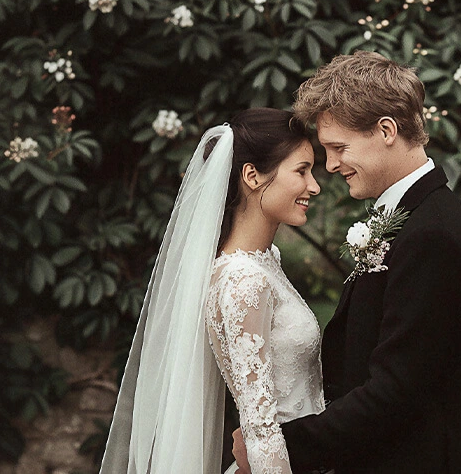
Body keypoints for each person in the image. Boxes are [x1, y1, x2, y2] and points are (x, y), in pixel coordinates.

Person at [233, 51, 461, 474]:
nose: (330, 166)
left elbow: (397, 391)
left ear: (386, 130)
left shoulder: (434, 234)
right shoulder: (414, 219)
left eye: (338, 148)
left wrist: (280, 449)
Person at [99, 108, 325, 474]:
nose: (314, 186)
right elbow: (261, 430)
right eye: (301, 171)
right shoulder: (243, 282)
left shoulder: (265, 262)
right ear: (251, 176)